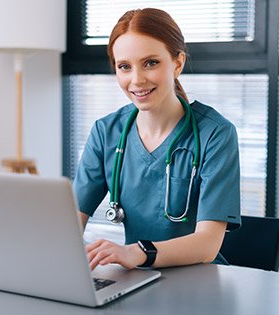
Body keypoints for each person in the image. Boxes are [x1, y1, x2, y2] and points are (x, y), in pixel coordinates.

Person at [73, 8, 241, 270]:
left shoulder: (215, 134)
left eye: (150, 62)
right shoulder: (106, 132)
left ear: (177, 63)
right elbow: (70, 223)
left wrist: (139, 252)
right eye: (124, 67)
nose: (137, 80)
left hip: (198, 282)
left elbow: (208, 244)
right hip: (135, 278)